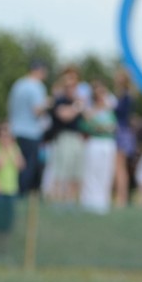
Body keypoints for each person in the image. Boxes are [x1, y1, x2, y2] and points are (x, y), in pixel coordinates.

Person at [45, 68, 88, 206]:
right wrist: (77, 107)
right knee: (61, 171)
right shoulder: (59, 100)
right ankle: (57, 200)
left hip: (77, 137)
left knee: (76, 173)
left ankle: (70, 201)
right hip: (63, 137)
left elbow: (88, 118)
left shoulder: (77, 100)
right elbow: (64, 116)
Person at [8, 60, 50, 196]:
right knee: (29, 167)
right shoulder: (37, 86)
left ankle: (14, 193)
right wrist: (48, 104)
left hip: (15, 131)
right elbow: (37, 110)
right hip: (31, 133)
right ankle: (23, 196)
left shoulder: (18, 84)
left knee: (17, 165)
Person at [80, 81, 118, 215]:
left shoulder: (109, 112)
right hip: (94, 143)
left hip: (108, 144)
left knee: (106, 172)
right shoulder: (90, 111)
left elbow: (113, 126)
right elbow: (87, 125)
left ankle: (103, 202)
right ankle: (90, 202)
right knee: (92, 172)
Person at [0, 122, 25, 255]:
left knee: (8, 221)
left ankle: (4, 247)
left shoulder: (15, 148)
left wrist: (11, 150)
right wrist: (4, 150)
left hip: (11, 189)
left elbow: (20, 166)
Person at [112, 68, 137, 208]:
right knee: (121, 167)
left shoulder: (125, 96)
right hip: (125, 132)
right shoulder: (127, 95)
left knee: (119, 167)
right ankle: (122, 197)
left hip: (122, 133)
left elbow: (120, 114)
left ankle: (120, 198)